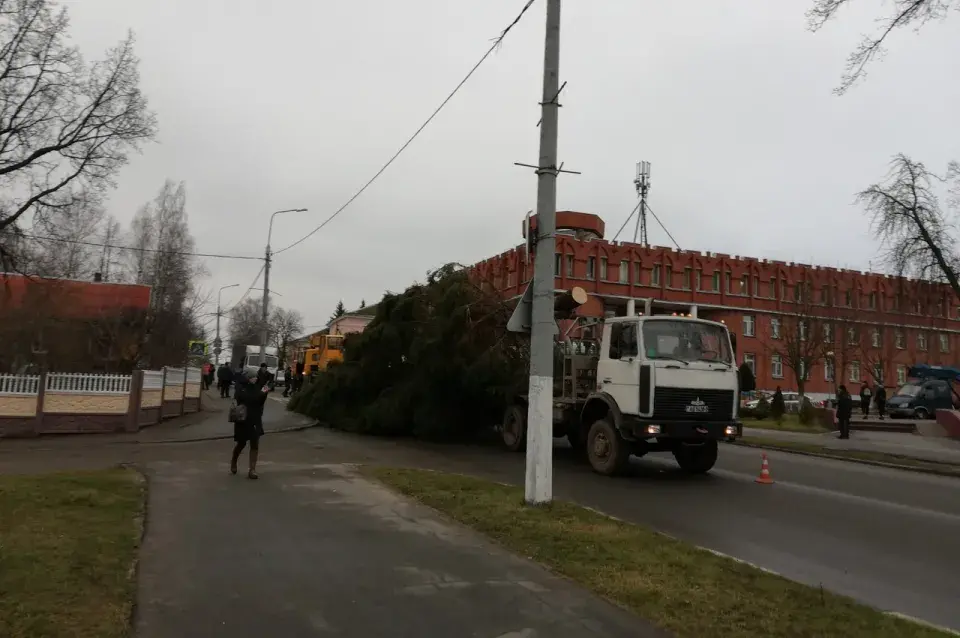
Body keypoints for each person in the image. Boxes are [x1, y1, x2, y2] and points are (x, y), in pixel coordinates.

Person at [230, 370, 270, 479]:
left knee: (254, 444)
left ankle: (252, 470)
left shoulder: (257, 387)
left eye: (255, 377)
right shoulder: (241, 387)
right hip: (243, 419)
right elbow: (245, 399)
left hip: (255, 419)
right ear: (247, 378)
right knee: (241, 443)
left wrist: (264, 394)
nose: (255, 379)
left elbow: (259, 402)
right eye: (253, 377)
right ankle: (234, 461)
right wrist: (261, 394)